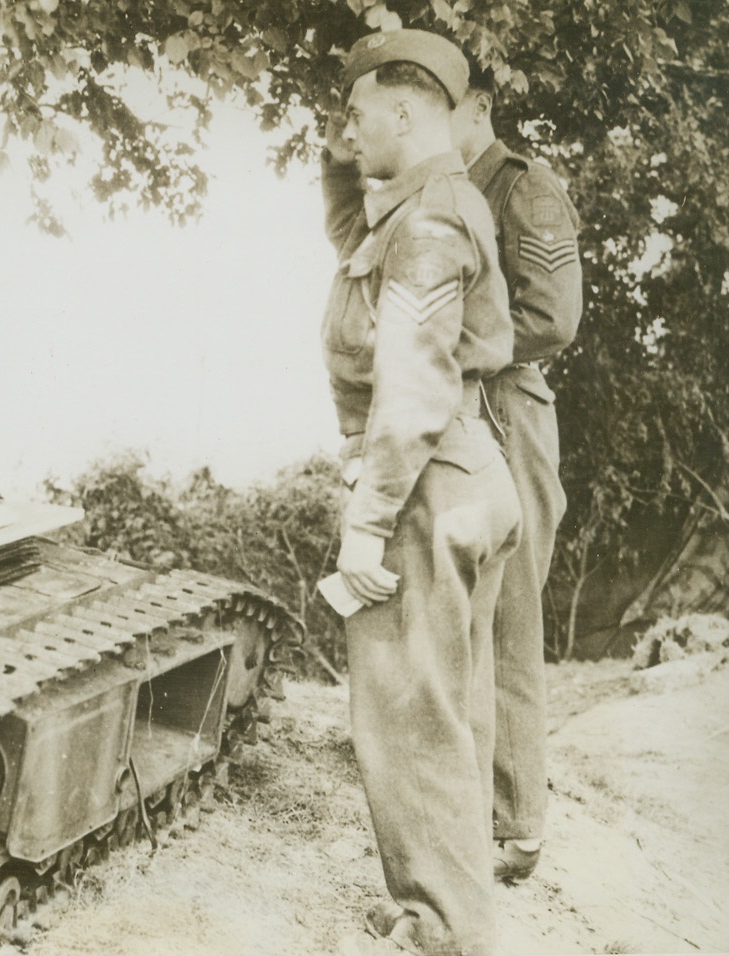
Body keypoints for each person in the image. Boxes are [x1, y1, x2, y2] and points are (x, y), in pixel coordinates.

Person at [319, 30, 522, 956]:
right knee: (455, 711)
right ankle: (449, 912)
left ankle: (445, 932)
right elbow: (344, 194)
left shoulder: (429, 221)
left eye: (359, 113)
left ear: (404, 111)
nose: (347, 130)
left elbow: (412, 388)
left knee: (412, 714)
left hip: (428, 484)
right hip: (466, 471)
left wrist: (367, 523)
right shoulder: (422, 203)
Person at [450, 61, 584, 883]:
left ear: (481, 107)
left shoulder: (523, 187)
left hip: (506, 411)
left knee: (508, 619)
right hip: (456, 411)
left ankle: (516, 826)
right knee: (456, 614)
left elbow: (553, 318)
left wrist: (458, 355)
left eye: (446, 104)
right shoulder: (445, 193)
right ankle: (467, 811)